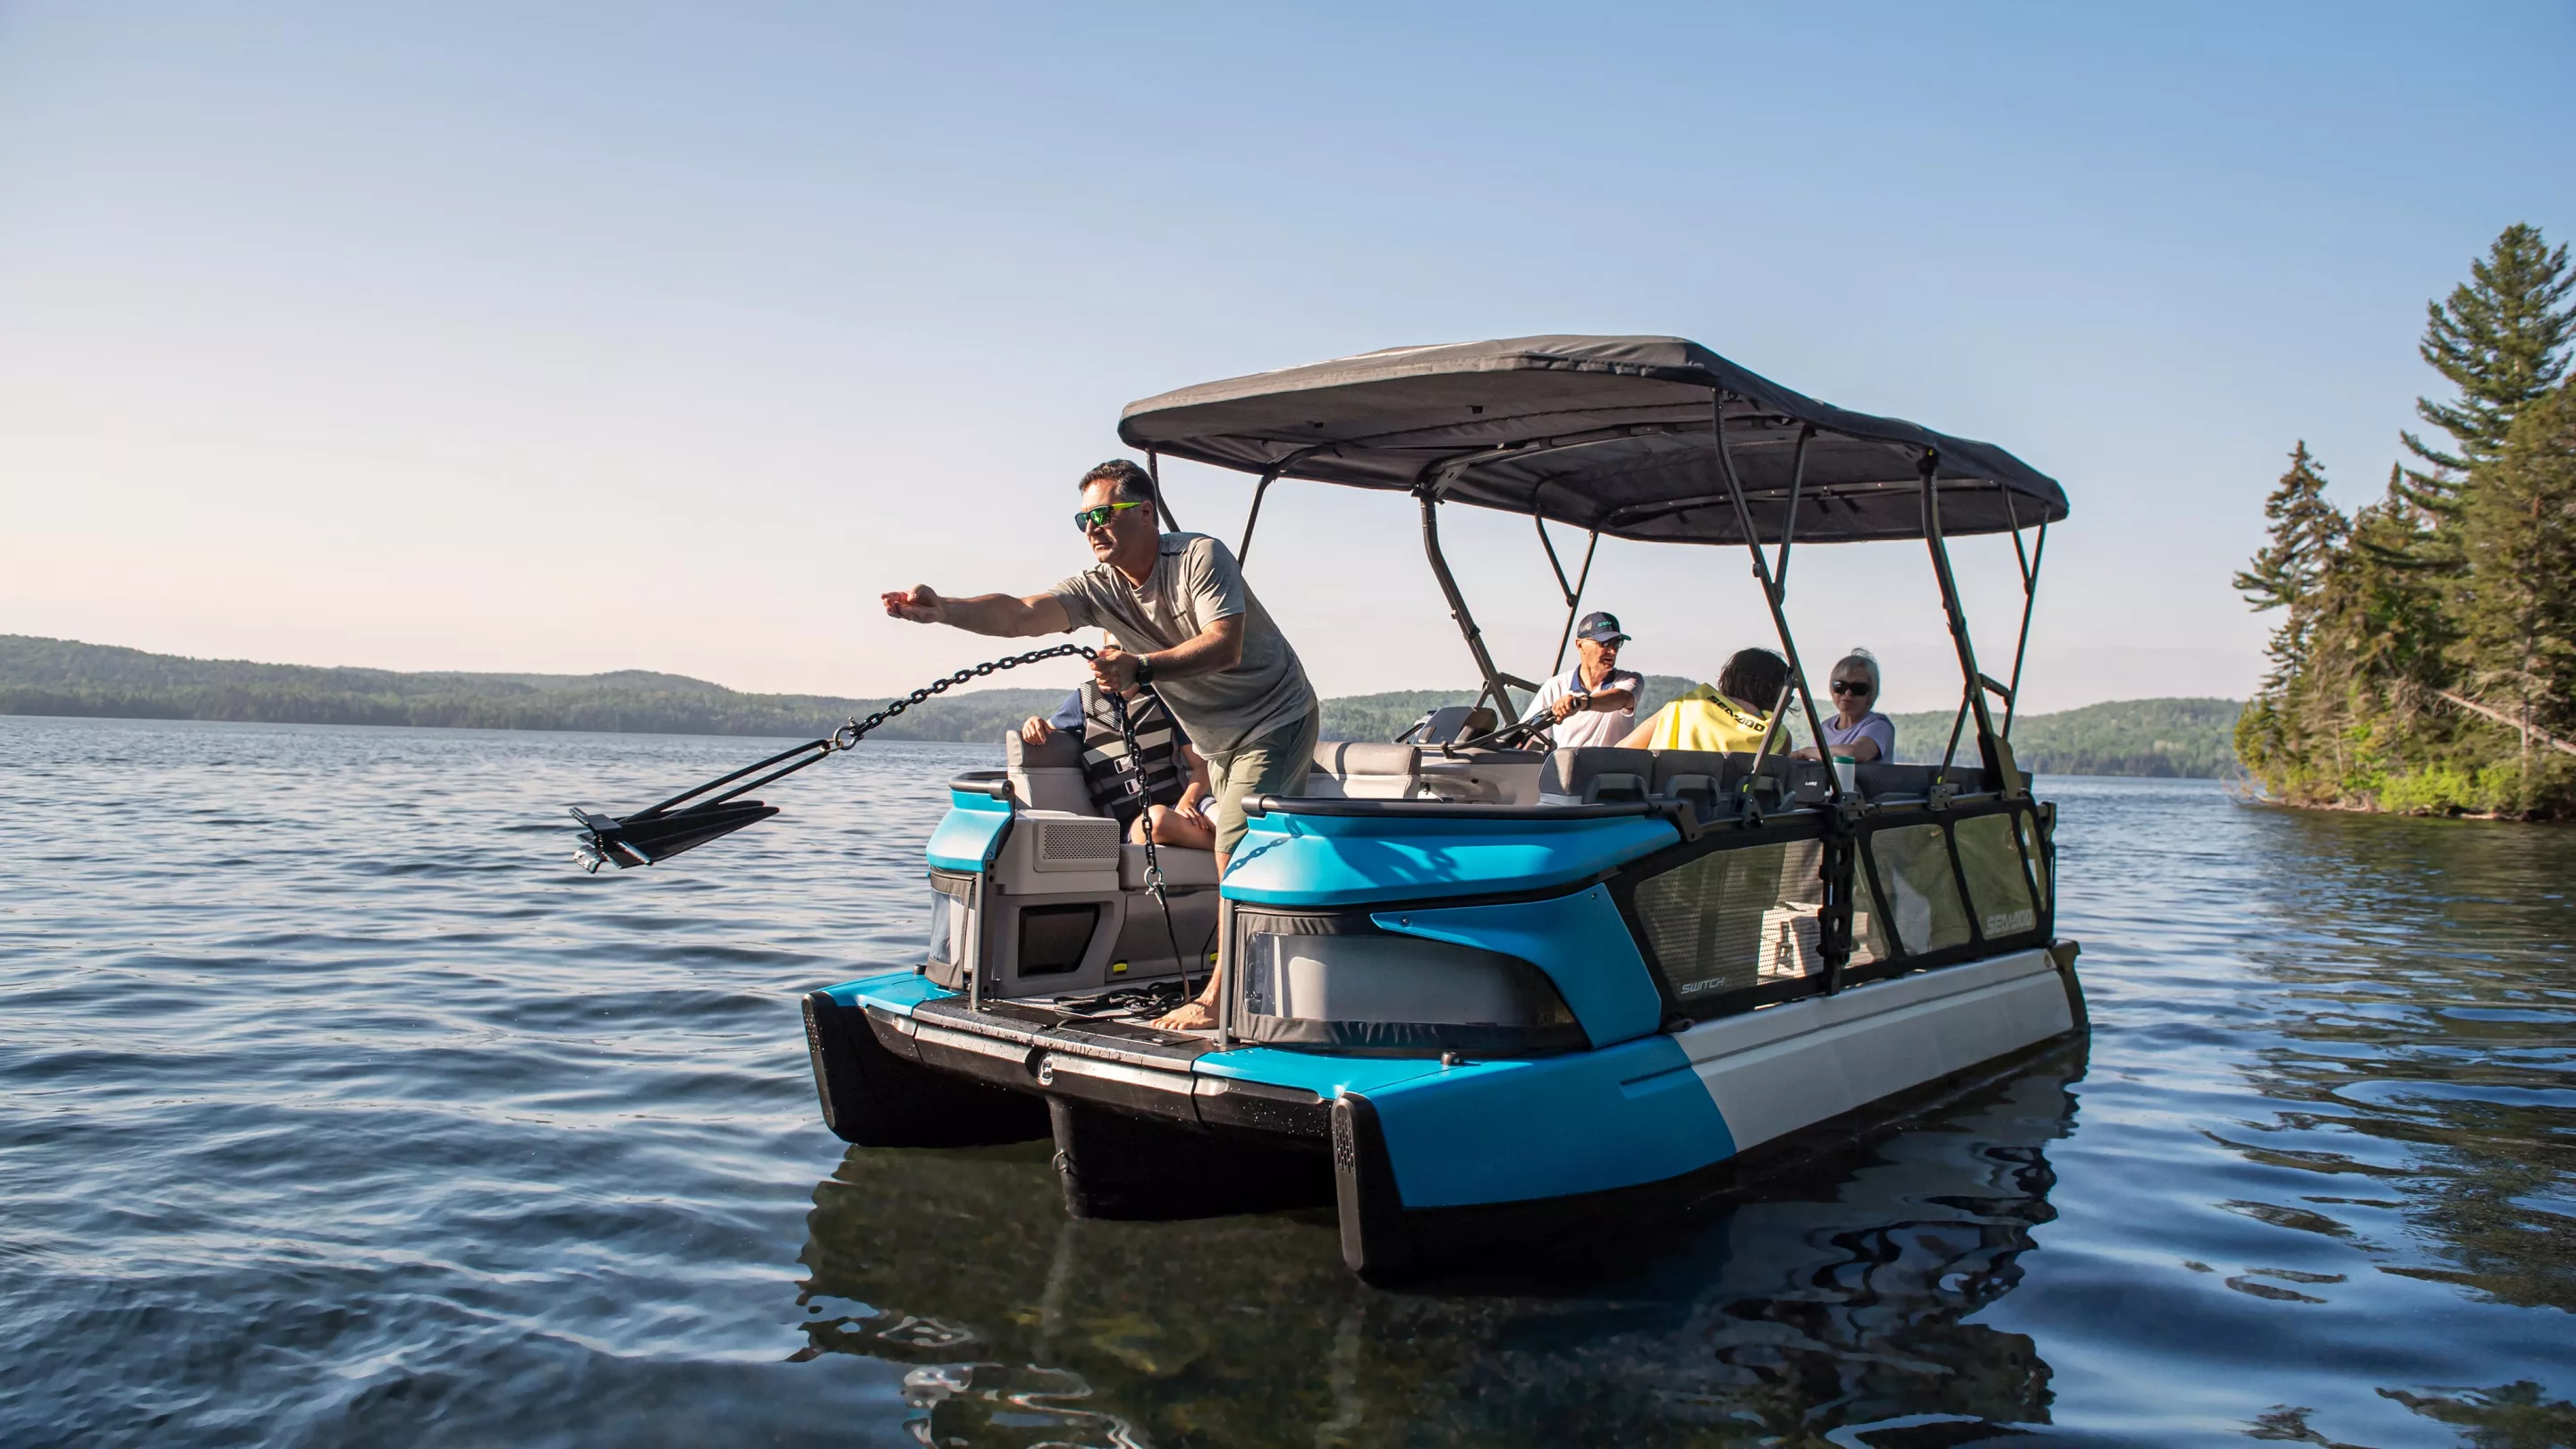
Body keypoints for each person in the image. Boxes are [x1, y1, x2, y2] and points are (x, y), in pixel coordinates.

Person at [882, 458, 1318, 1032]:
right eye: (1082, 518)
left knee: (1236, 843)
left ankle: (1223, 997)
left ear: (1145, 512)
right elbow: (1021, 614)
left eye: (1104, 514)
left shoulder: (1197, 558)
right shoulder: (1099, 587)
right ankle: (1244, 971)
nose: (1092, 528)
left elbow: (1224, 645)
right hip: (1214, 738)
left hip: (1274, 715)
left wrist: (1141, 668)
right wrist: (947, 610)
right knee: (1234, 845)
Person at [1021, 682, 1216, 849]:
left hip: (1187, 804)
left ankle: (1227, 850)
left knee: (1230, 822)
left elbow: (1201, 765)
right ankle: (1224, 847)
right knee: (1156, 820)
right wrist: (1033, 721)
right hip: (1133, 824)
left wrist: (1187, 803)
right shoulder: (1082, 700)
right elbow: (1045, 728)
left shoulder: (1163, 696)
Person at [1616, 647, 1790, 752]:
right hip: (1729, 812)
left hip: (1664, 807)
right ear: (1775, 690)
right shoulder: (1776, 735)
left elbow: (1622, 752)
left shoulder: (1686, 705)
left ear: (1729, 678)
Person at [1518, 612, 1642, 749]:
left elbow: (1624, 698)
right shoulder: (1554, 686)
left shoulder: (1630, 680)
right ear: (1580, 645)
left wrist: (1582, 703)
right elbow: (1526, 736)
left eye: (1617, 643)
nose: (1613, 651)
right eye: (1605, 643)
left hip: (1614, 769)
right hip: (1570, 768)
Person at [1792, 649, 1895, 764]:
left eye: (1858, 688)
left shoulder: (1879, 726)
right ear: (1831, 689)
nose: (1848, 693)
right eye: (1840, 686)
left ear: (1871, 693)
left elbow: (1854, 754)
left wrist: (1804, 753)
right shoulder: (1824, 728)